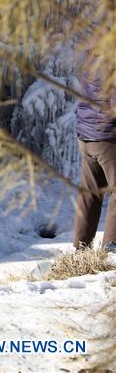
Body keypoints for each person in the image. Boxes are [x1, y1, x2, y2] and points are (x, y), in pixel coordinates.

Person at [73, 53, 116, 250]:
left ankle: (80, 249)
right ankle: (111, 248)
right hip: (108, 137)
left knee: (90, 194)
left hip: (87, 134)